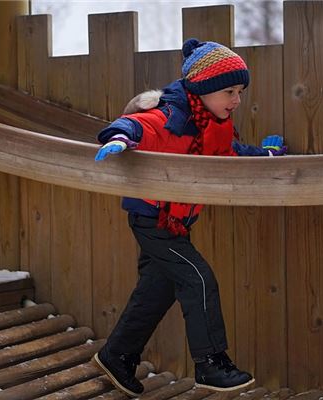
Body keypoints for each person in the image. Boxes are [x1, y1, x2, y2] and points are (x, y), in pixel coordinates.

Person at [92, 38, 287, 397]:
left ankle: (117, 355)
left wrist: (268, 155)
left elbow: (230, 155)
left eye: (240, 91)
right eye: (229, 91)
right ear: (203, 89)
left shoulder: (212, 124)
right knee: (198, 279)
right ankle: (210, 363)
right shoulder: (172, 116)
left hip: (175, 223)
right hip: (152, 218)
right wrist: (120, 138)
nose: (236, 100)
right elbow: (137, 125)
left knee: (158, 291)